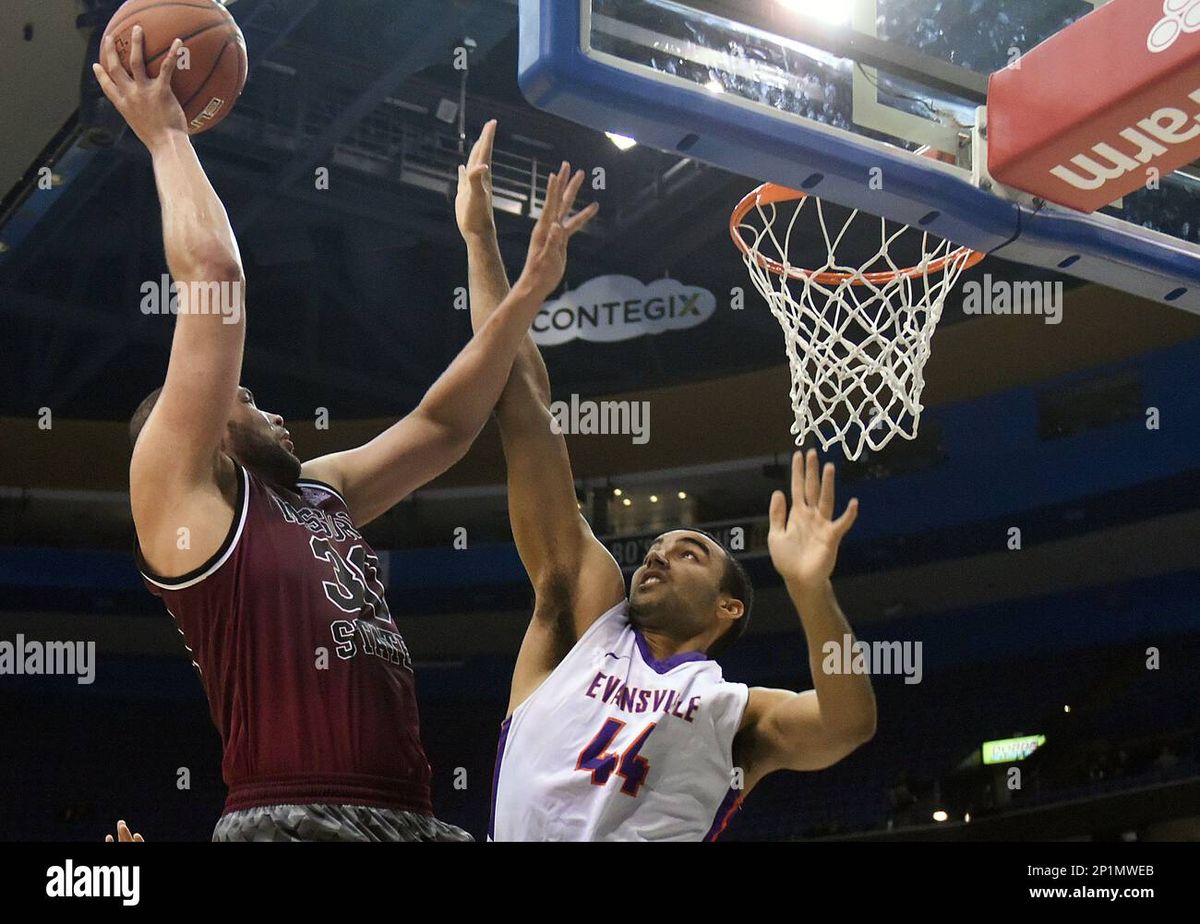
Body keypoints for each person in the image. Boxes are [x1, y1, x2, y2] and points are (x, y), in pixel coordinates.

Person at [94, 29, 595, 841]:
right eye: (247, 399)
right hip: (291, 817)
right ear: (203, 428)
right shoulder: (180, 498)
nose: (272, 409)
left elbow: (444, 424)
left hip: (412, 819)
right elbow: (216, 282)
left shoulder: (319, 493)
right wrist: (168, 136)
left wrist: (518, 281)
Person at [456, 122, 877, 841]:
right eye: (660, 545)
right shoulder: (582, 616)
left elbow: (847, 725)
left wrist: (811, 589)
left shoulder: (735, 715)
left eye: (691, 553)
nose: (657, 552)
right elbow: (522, 408)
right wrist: (481, 244)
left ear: (728, 610)